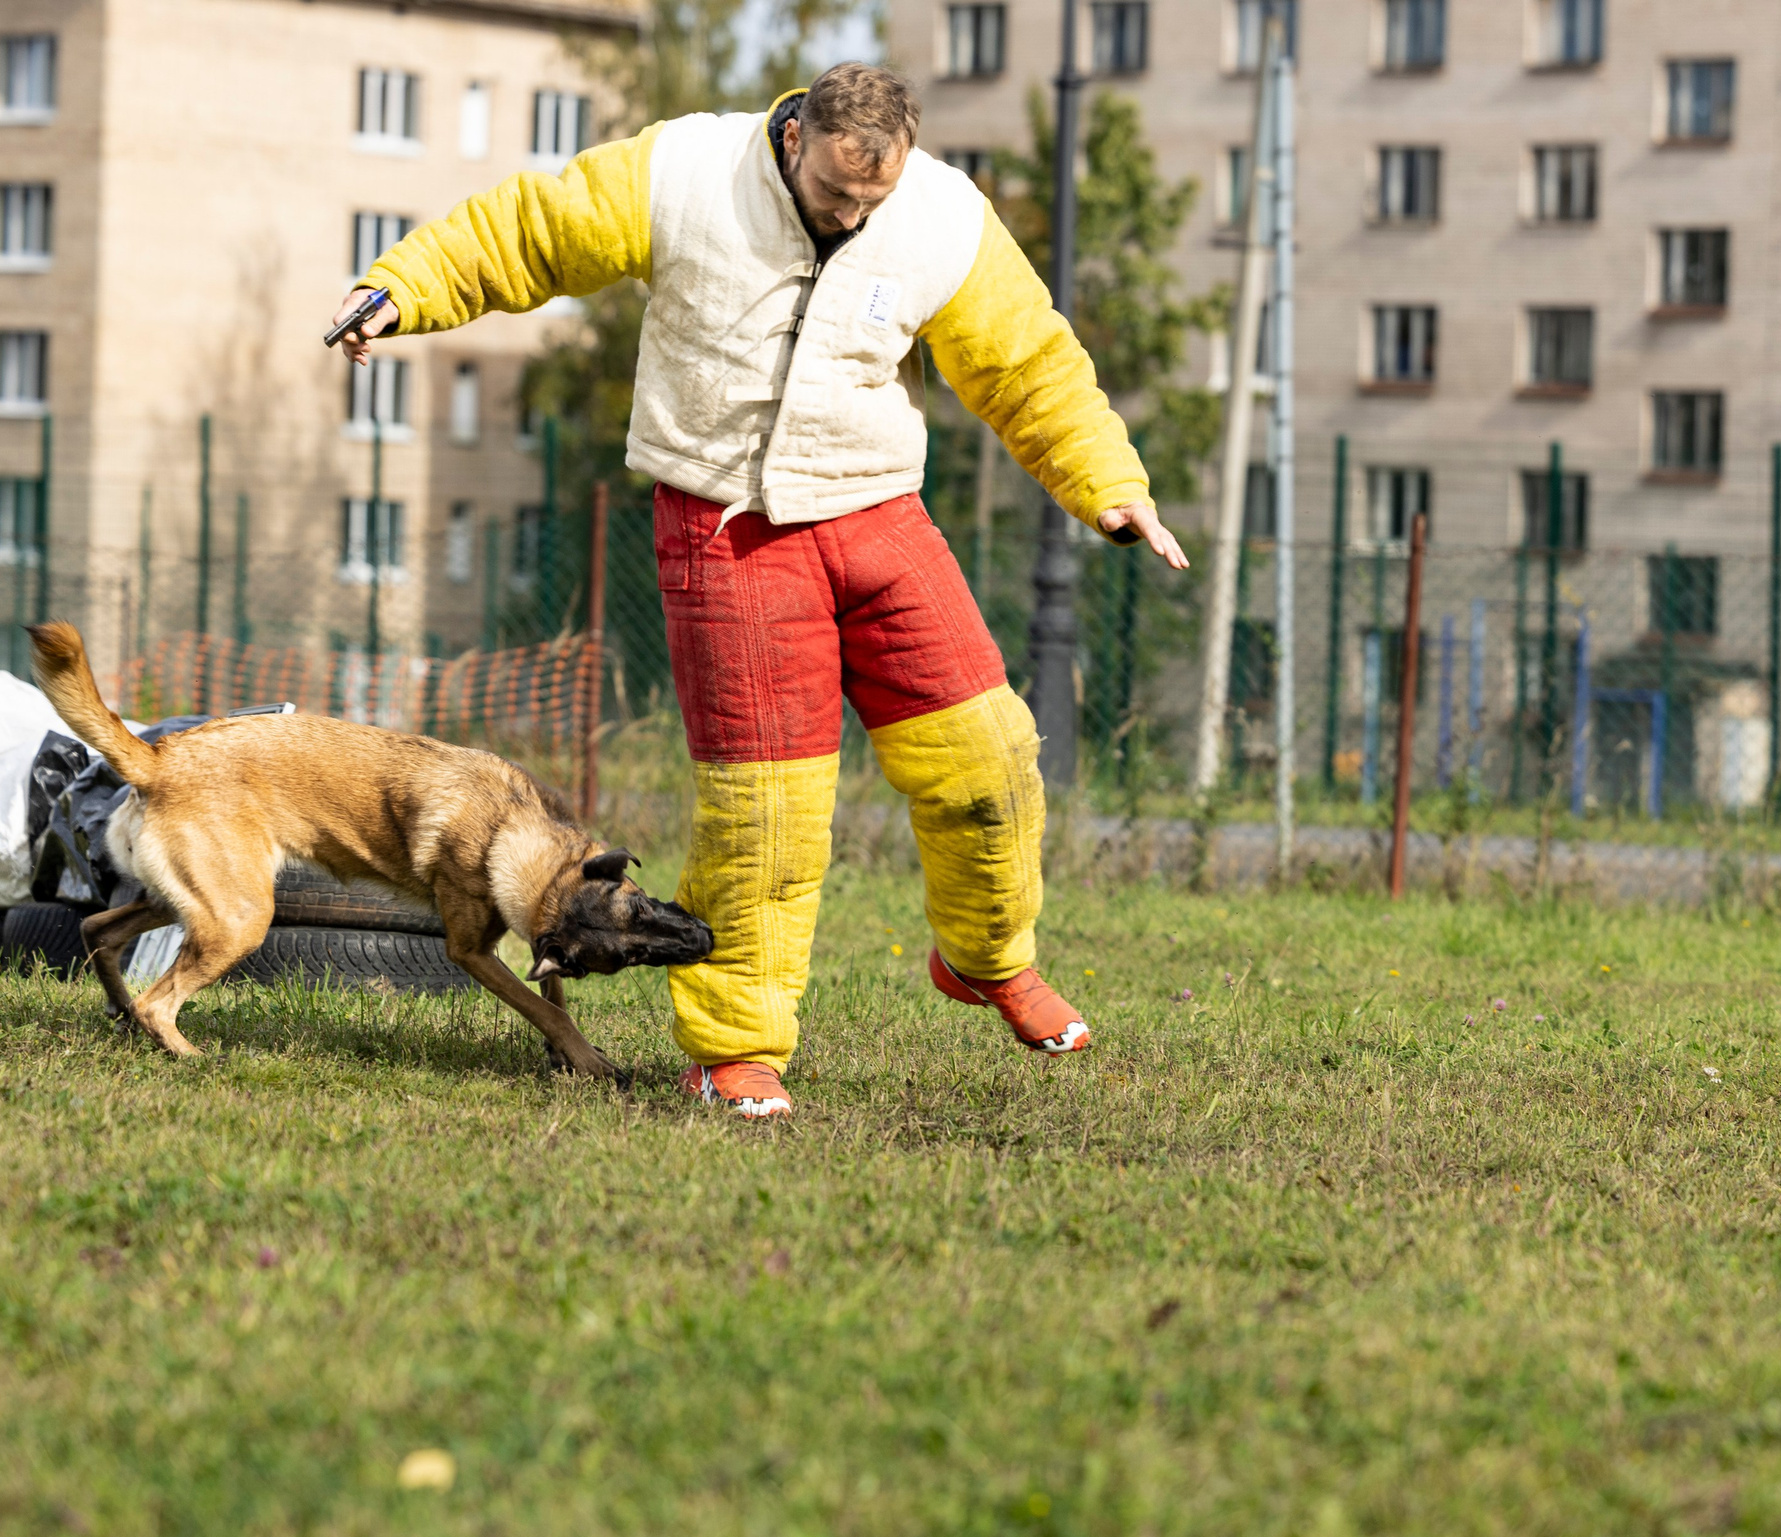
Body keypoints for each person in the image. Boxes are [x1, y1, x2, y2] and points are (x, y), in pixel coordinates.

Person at [333, 61, 1188, 1121]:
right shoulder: (682, 173)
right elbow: (529, 231)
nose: (854, 213)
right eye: (837, 192)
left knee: (991, 758)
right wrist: (401, 289)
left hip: (878, 513)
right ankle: (733, 1050)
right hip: (725, 527)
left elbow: (1028, 365)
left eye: (874, 196)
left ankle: (983, 958)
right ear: (794, 141)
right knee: (766, 819)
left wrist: (1109, 486)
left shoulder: (941, 215)